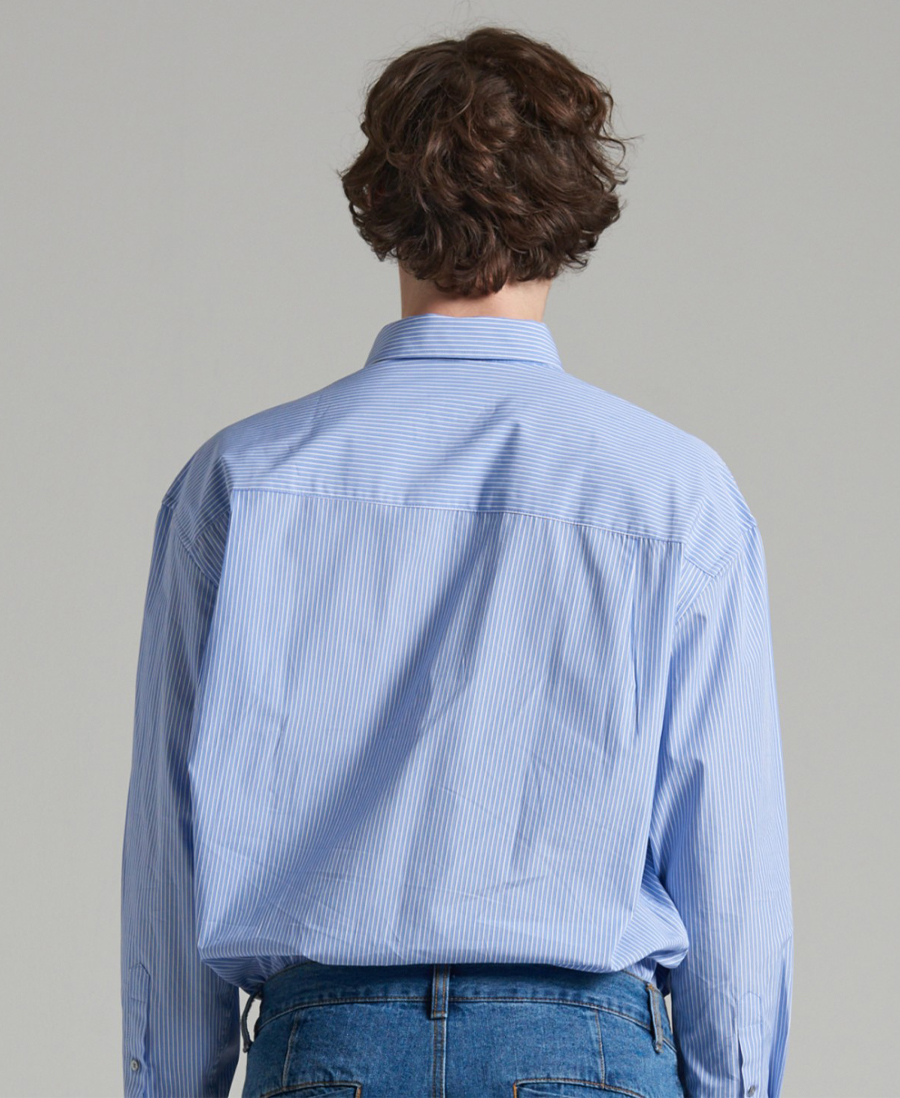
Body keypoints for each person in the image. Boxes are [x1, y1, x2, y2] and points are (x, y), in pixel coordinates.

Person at [120, 24, 793, 1098]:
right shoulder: (672, 493)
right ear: (572, 213)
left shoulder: (240, 482)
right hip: (584, 1055)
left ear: (382, 203)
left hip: (325, 1051)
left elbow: (171, 847)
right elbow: (731, 860)